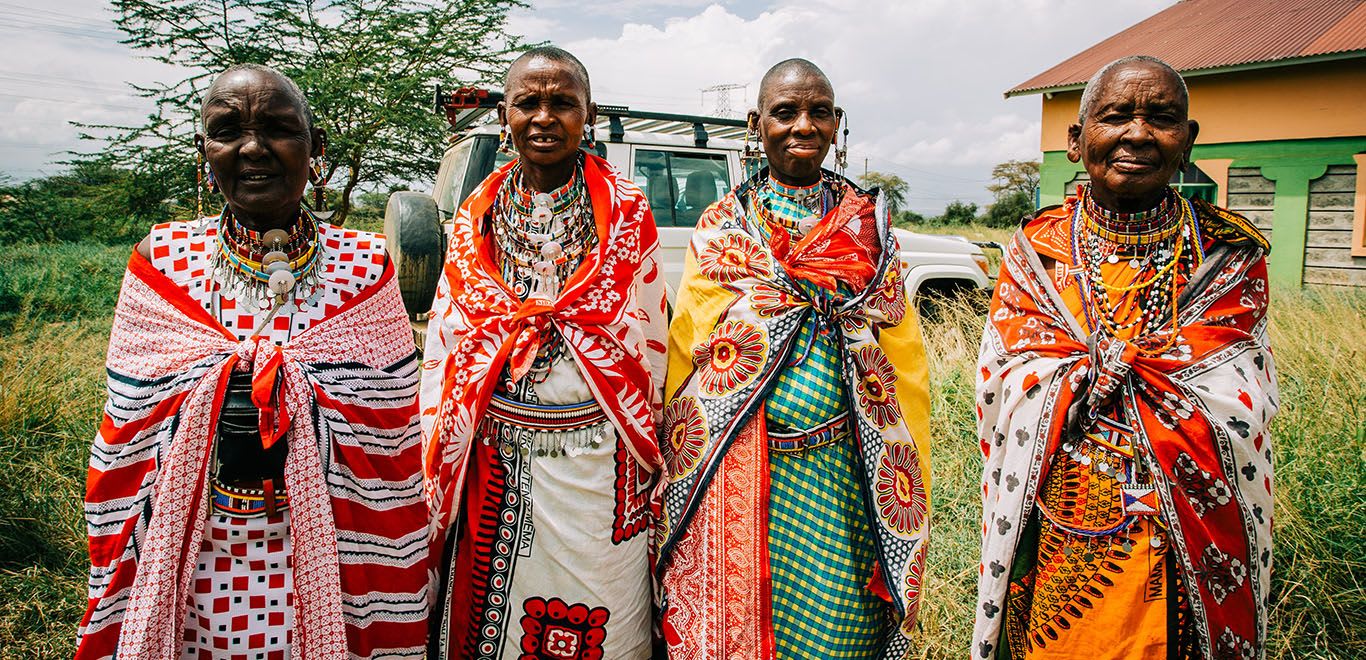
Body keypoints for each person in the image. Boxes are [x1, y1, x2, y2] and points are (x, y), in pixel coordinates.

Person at [76, 64, 431, 659]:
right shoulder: (159, 261)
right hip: (193, 543)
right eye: (227, 130)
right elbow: (127, 422)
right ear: (203, 152)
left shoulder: (366, 267)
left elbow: (390, 430)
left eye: (277, 127)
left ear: (315, 148)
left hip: (334, 548)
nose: (252, 148)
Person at [973, 55, 1278, 660]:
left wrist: (1123, 372)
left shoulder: (1229, 255)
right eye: (1115, 117)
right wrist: (1083, 373)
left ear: (1187, 141)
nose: (1138, 134)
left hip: (1187, 521)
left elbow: (1243, 391)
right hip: (1069, 513)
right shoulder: (1038, 252)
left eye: (1161, 119)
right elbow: (1002, 381)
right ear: (1075, 140)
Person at [657, 58, 931, 659]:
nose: (802, 125)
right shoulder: (723, 226)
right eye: (785, 112)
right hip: (743, 467)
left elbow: (899, 348)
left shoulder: (870, 228)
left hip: (845, 473)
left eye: (819, 112)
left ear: (838, 124)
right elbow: (692, 348)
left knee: (842, 629)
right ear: (758, 124)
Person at [419, 46, 667, 660]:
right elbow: (451, 338)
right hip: (495, 453)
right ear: (506, 114)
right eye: (528, 102)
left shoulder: (628, 210)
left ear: (587, 115)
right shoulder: (476, 214)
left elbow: (650, 339)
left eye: (563, 103)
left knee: (604, 610)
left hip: (603, 461)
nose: (544, 117)